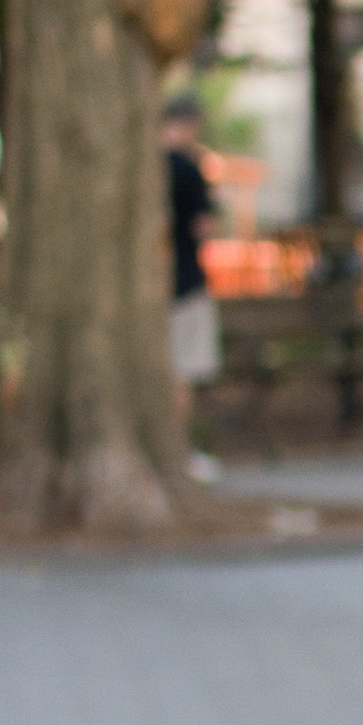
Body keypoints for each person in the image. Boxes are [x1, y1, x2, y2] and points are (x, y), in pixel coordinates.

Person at [164, 94, 220, 462]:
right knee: (181, 371)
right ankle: (179, 451)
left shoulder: (139, 163)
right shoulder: (187, 166)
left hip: (154, 285)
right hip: (184, 281)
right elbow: (205, 226)